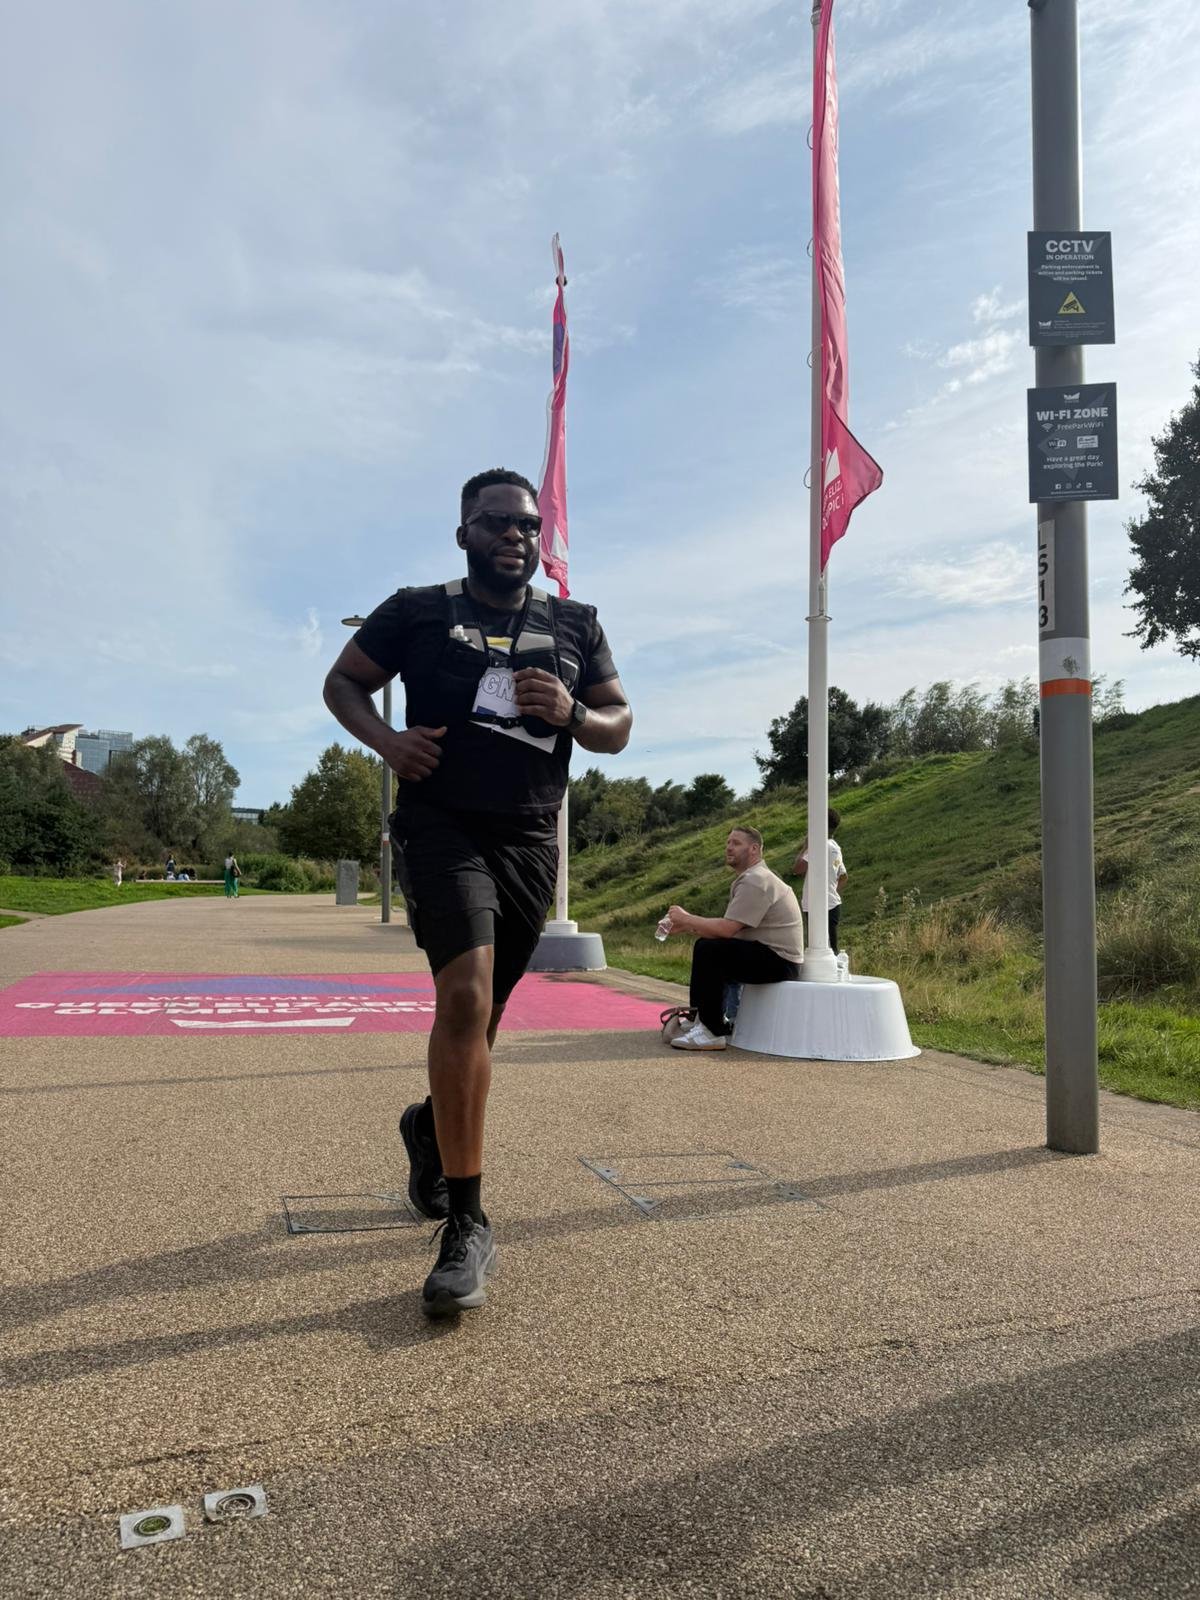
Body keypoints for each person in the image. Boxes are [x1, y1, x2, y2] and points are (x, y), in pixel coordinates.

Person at [323, 467, 631, 1317]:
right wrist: (387, 742)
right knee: (463, 999)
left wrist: (572, 713)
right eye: (496, 521)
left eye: (527, 524)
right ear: (464, 532)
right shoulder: (417, 610)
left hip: (529, 838)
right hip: (441, 826)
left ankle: (429, 1125)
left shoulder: (575, 624)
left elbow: (618, 725)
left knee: (483, 1020)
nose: (514, 535)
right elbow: (343, 682)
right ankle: (467, 1223)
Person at [660, 826, 803, 1051]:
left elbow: (726, 930)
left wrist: (687, 919)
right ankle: (701, 1020)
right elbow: (729, 931)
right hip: (773, 957)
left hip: (781, 962)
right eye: (728, 842)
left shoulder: (756, 880)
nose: (729, 847)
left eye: (736, 843)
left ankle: (711, 1031)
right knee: (708, 946)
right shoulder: (752, 878)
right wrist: (687, 926)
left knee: (709, 950)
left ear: (754, 849)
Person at [792, 808, 847, 955]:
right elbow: (843, 877)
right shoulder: (835, 847)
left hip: (816, 906)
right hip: (832, 904)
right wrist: (830, 892)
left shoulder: (818, 846)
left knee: (818, 950)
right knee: (831, 949)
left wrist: (806, 846)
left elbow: (797, 869)